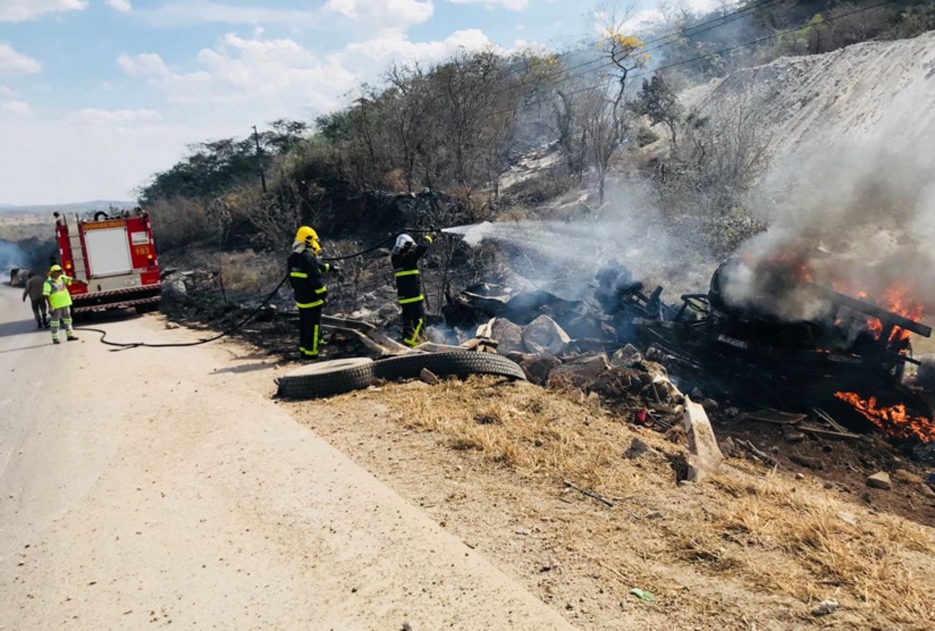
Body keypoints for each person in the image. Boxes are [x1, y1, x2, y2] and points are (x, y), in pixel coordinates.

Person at [287, 226, 336, 360]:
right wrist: (324, 295)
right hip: (312, 299)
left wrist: (331, 267)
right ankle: (312, 354)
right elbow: (316, 279)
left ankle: (304, 350)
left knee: (304, 325)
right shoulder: (309, 257)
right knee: (313, 327)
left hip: (301, 299)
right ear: (308, 240)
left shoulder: (292, 258)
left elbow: (293, 279)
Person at [391, 232, 433, 347]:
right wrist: (431, 235)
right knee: (419, 321)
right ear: (406, 245)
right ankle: (420, 344)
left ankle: (407, 343)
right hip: (413, 297)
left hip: (403, 298)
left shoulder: (395, 258)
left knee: (407, 323)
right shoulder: (409, 257)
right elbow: (422, 248)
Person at [43, 265, 77, 344]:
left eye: (60, 271)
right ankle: (55, 338)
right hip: (56, 305)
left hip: (65, 303)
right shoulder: (48, 282)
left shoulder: (61, 278)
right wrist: (50, 306)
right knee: (55, 322)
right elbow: (46, 295)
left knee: (68, 320)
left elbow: (71, 280)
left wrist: (82, 281)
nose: (60, 273)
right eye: (58, 271)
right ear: (53, 272)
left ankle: (70, 336)